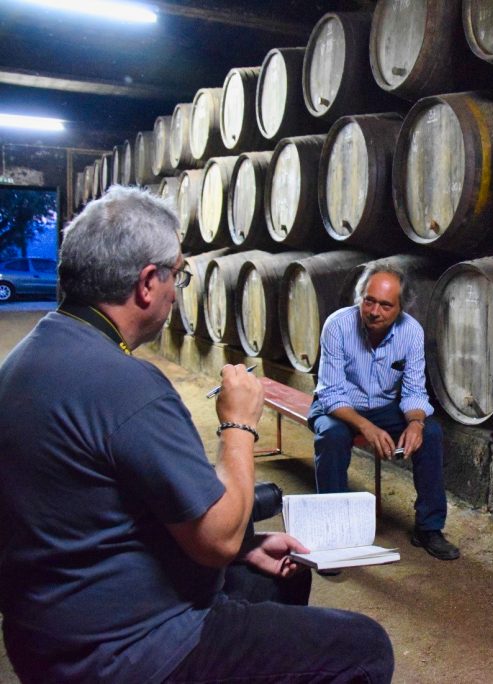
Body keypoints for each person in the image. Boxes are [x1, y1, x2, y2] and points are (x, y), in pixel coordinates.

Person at [0, 186, 394, 683]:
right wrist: (238, 424)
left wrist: (247, 546)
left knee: (268, 581)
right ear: (147, 282)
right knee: (364, 647)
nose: (175, 290)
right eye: (178, 275)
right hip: (122, 651)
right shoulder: (127, 385)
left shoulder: (25, 360)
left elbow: (106, 511)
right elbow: (217, 540)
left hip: (47, 631)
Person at [308, 264, 459, 561]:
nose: (374, 311)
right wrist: (366, 426)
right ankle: (334, 533)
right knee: (331, 436)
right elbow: (330, 393)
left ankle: (429, 527)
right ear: (360, 297)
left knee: (431, 432)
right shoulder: (337, 326)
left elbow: (414, 391)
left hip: (383, 406)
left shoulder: (411, 332)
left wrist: (416, 422)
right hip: (339, 407)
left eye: (385, 305)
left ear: (401, 308)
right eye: (369, 300)